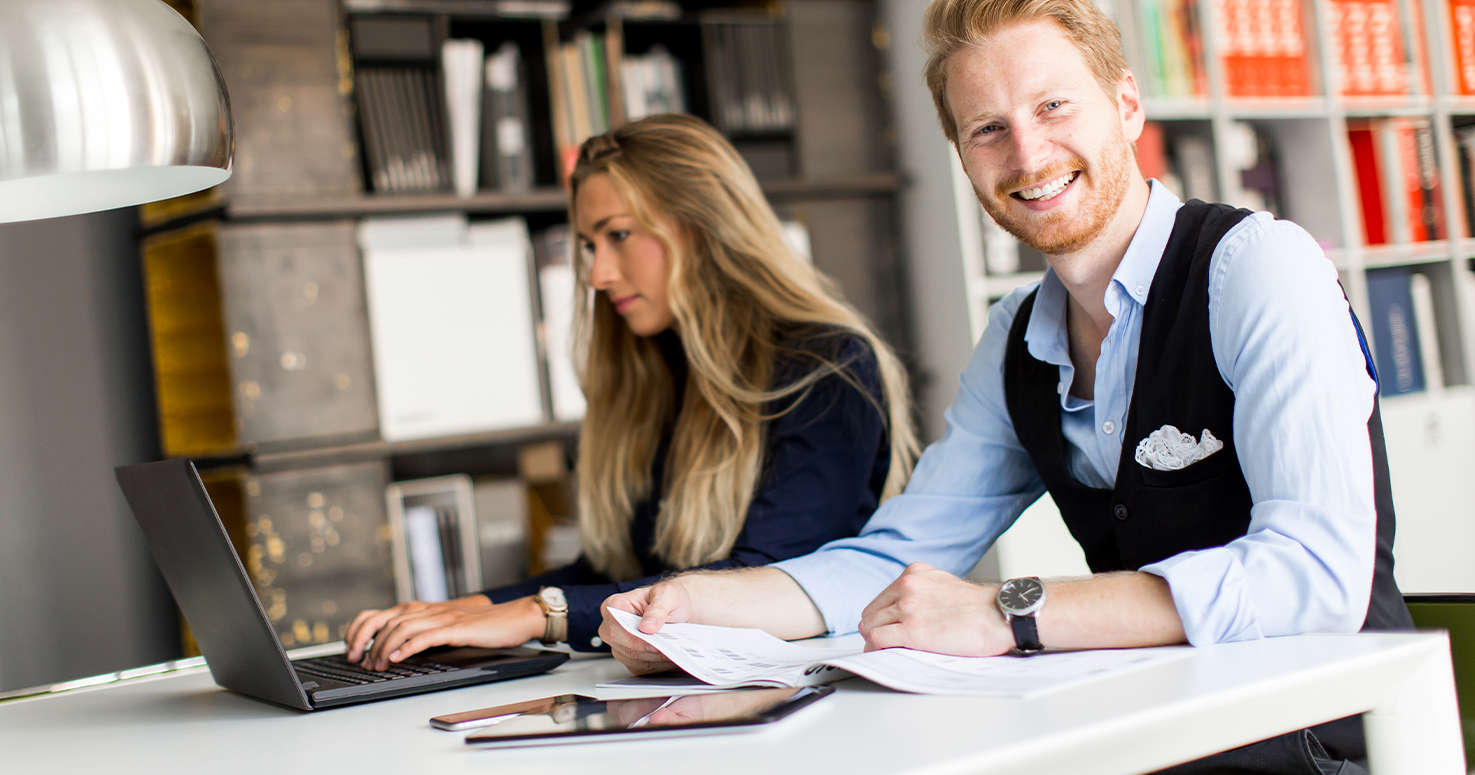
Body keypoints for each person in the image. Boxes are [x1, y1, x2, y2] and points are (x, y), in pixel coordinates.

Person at [597, 0, 1412, 771]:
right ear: (961, 156)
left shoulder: (1257, 268)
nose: (1026, 156)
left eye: (1054, 107)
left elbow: (1315, 575)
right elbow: (896, 558)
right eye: (989, 130)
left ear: (1126, 105)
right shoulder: (1019, 336)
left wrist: (1009, 611)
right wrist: (695, 605)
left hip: (1326, 747)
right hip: (1163, 739)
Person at [345, 113, 920, 667]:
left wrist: (539, 614)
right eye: (590, 246)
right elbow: (615, 567)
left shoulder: (826, 365)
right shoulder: (660, 367)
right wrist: (468, 609)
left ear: (703, 227)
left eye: (618, 235)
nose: (597, 274)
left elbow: (769, 577)